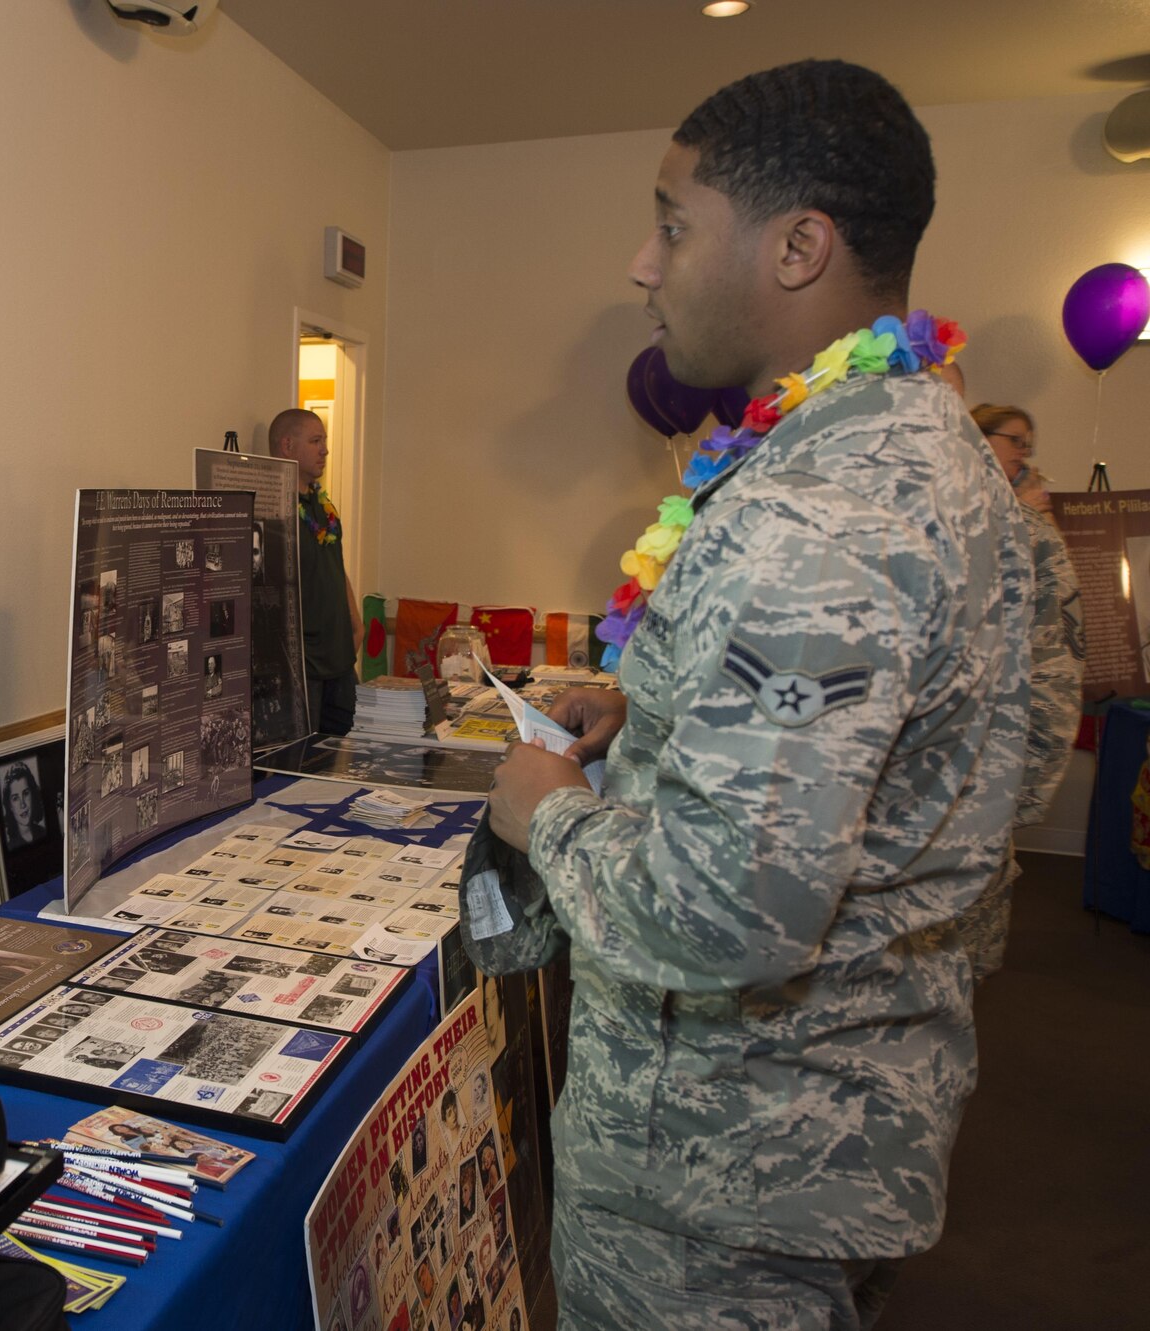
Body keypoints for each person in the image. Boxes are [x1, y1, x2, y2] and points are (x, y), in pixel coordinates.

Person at [484, 61, 1030, 1328]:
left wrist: (544, 808)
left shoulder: (812, 512)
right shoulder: (908, 442)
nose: (641, 261)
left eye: (672, 222)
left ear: (797, 247)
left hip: (719, 1174)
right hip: (818, 1123)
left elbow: (729, 910)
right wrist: (655, 714)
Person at [955, 404, 1085, 981]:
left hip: (988, 775)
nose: (1024, 454)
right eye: (1014, 440)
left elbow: (1053, 649)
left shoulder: (1026, 526)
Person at [270, 408, 360, 734]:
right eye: (315, 440)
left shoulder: (323, 507)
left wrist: (356, 623)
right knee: (303, 767)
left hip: (341, 663)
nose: (324, 450)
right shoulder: (273, 510)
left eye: (324, 441)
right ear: (287, 446)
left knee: (341, 763)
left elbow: (335, 566)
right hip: (304, 667)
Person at [0, 762, 47, 850]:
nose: (22, 804)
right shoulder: (10, 847)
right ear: (10, 806)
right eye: (15, 798)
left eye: (26, 793)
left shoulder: (44, 832)